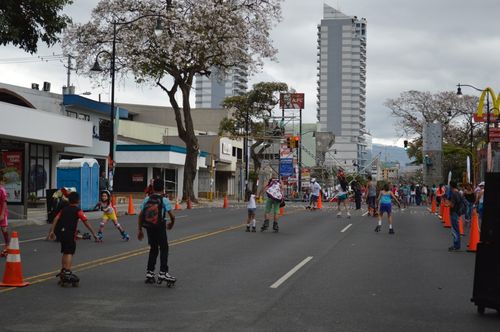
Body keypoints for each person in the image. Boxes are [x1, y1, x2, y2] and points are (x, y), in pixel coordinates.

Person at [48, 192, 99, 284]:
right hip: (69, 234)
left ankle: (63, 270)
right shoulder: (77, 210)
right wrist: (94, 233)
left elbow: (56, 219)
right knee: (69, 253)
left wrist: (52, 231)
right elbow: (85, 221)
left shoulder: (64, 209)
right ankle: (67, 272)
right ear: (78, 200)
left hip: (62, 233)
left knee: (64, 252)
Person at [137, 178, 176, 284]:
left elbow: (141, 215)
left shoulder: (147, 199)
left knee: (153, 249)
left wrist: (140, 229)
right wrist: (171, 224)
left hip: (149, 227)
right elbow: (172, 216)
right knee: (164, 248)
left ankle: (150, 273)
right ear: (163, 188)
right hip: (160, 227)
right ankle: (163, 272)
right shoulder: (164, 200)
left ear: (153, 188)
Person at [447, 181, 463, 251]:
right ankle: (457, 245)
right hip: (457, 212)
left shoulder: (453, 193)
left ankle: (455, 245)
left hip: (453, 212)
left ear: (451, 186)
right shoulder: (459, 193)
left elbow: (452, 204)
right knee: (457, 229)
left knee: (455, 230)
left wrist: (448, 204)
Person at [0, 174, 9, 257]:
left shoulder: (2, 190)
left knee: (4, 230)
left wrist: (2, 214)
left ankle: (7, 247)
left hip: (2, 213)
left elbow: (4, 203)